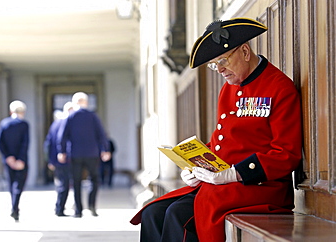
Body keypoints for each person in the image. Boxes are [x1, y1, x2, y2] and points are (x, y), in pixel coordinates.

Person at [130, 18, 303, 242]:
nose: (219, 70)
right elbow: (224, 141)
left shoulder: (279, 87)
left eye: (222, 61)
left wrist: (234, 173)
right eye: (213, 65)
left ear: (244, 51)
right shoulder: (228, 89)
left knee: (177, 215)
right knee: (153, 213)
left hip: (259, 187)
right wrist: (194, 167)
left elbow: (286, 154)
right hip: (222, 184)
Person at [57, 92, 111, 217]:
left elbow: (62, 136)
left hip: (75, 154)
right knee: (94, 179)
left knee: (76, 182)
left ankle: (78, 210)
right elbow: (101, 134)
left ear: (75, 103)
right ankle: (92, 206)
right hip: (92, 153)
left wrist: (62, 151)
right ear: (86, 102)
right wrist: (105, 149)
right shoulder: (93, 116)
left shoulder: (70, 117)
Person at [0, 100, 29, 222]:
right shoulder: (24, 124)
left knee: (11, 184)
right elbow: (25, 144)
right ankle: (15, 207)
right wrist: (20, 159)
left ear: (11, 111)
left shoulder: (4, 124)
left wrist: (8, 157)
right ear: (23, 112)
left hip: (9, 161)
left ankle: (14, 207)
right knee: (19, 185)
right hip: (21, 160)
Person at [44, 102, 73, 217]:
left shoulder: (55, 124)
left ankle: (60, 206)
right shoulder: (67, 124)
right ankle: (60, 208)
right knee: (64, 184)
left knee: (61, 183)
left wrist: (50, 160)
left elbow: (48, 143)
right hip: (65, 158)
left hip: (57, 159)